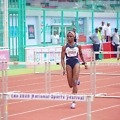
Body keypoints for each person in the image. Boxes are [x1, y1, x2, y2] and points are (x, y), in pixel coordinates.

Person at [61, 31, 88, 109]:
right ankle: (76, 81)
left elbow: (81, 55)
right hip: (68, 63)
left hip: (76, 63)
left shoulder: (78, 46)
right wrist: (63, 68)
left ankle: (73, 102)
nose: (69, 38)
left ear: (74, 37)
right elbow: (62, 59)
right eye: (68, 36)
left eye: (71, 36)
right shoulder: (64, 47)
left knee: (74, 83)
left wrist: (85, 63)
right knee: (70, 85)